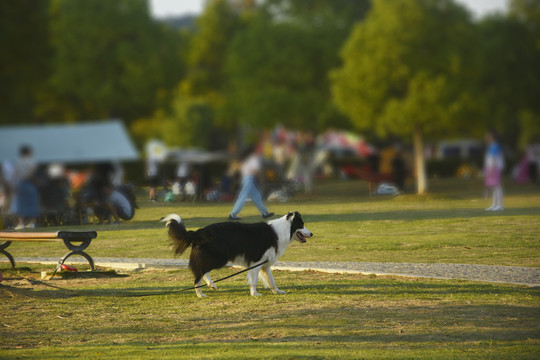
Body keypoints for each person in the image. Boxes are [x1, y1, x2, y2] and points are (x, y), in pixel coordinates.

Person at [229, 146, 274, 221]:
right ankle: (233, 214)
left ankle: (265, 212)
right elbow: (255, 170)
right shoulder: (254, 158)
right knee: (243, 196)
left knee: (256, 196)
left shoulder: (246, 159)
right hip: (249, 178)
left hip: (246, 178)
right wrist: (261, 179)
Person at [14, 145, 40, 229]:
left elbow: (16, 173)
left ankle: (21, 223)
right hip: (30, 182)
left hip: (21, 182)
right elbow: (32, 171)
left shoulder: (18, 161)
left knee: (21, 203)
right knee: (32, 202)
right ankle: (32, 223)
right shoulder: (32, 161)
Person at [484, 131, 504, 211]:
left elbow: (494, 158)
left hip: (494, 168)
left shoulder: (495, 146)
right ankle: (494, 204)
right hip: (491, 167)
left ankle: (500, 205)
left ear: (491, 137)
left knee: (497, 186)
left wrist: (491, 169)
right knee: (493, 186)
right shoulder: (492, 146)